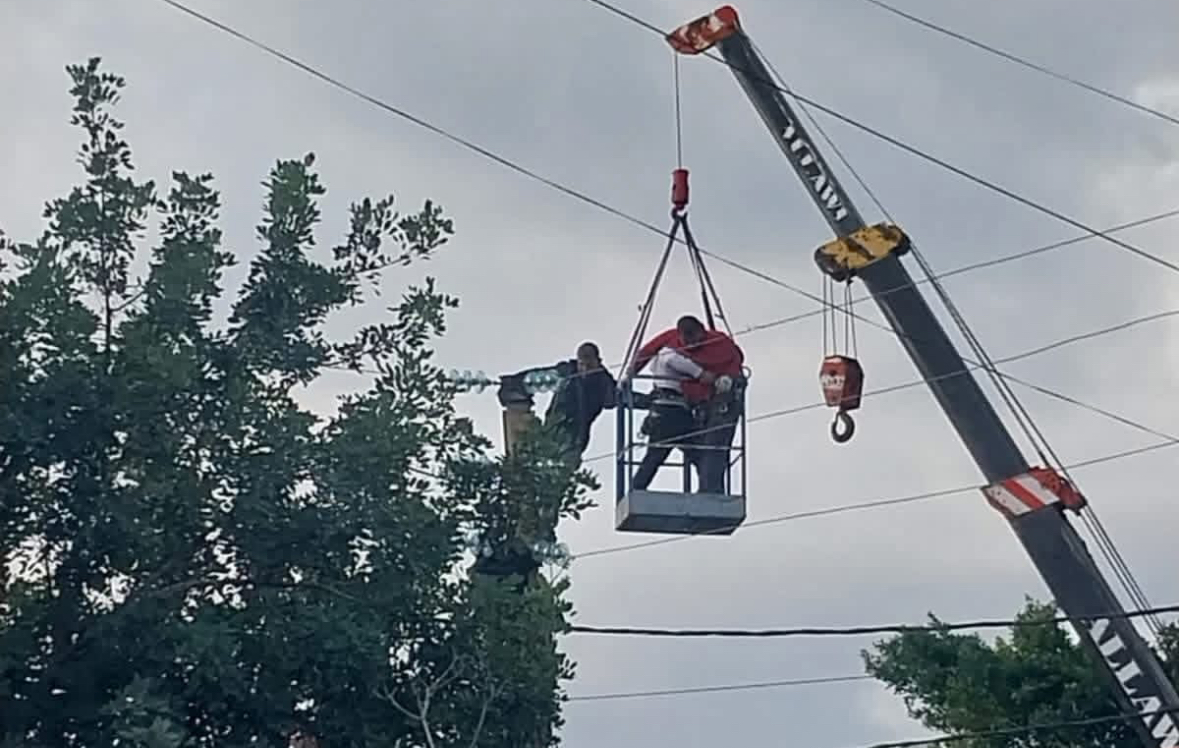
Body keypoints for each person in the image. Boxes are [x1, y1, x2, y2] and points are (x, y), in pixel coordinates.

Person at [632, 315, 745, 494]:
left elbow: (736, 359)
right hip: (676, 411)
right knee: (695, 453)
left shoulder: (719, 343)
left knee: (702, 451)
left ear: (702, 331)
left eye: (695, 339)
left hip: (705, 405)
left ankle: (637, 489)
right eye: (688, 340)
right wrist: (701, 374)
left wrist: (722, 379)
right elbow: (658, 355)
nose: (692, 346)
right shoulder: (669, 349)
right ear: (680, 335)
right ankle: (710, 492)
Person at [625, 344, 717, 490]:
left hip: (663, 412)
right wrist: (702, 373)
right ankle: (711, 489)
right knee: (699, 456)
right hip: (673, 413)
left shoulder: (659, 359)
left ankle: (636, 488)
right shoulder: (668, 354)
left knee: (654, 456)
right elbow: (677, 362)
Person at [543, 341, 616, 465]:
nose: (585, 369)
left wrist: (649, 400)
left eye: (590, 365)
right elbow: (537, 377)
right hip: (553, 430)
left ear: (598, 361)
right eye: (582, 364)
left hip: (576, 437)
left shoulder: (603, 383)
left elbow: (615, 399)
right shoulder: (566, 372)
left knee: (566, 466)